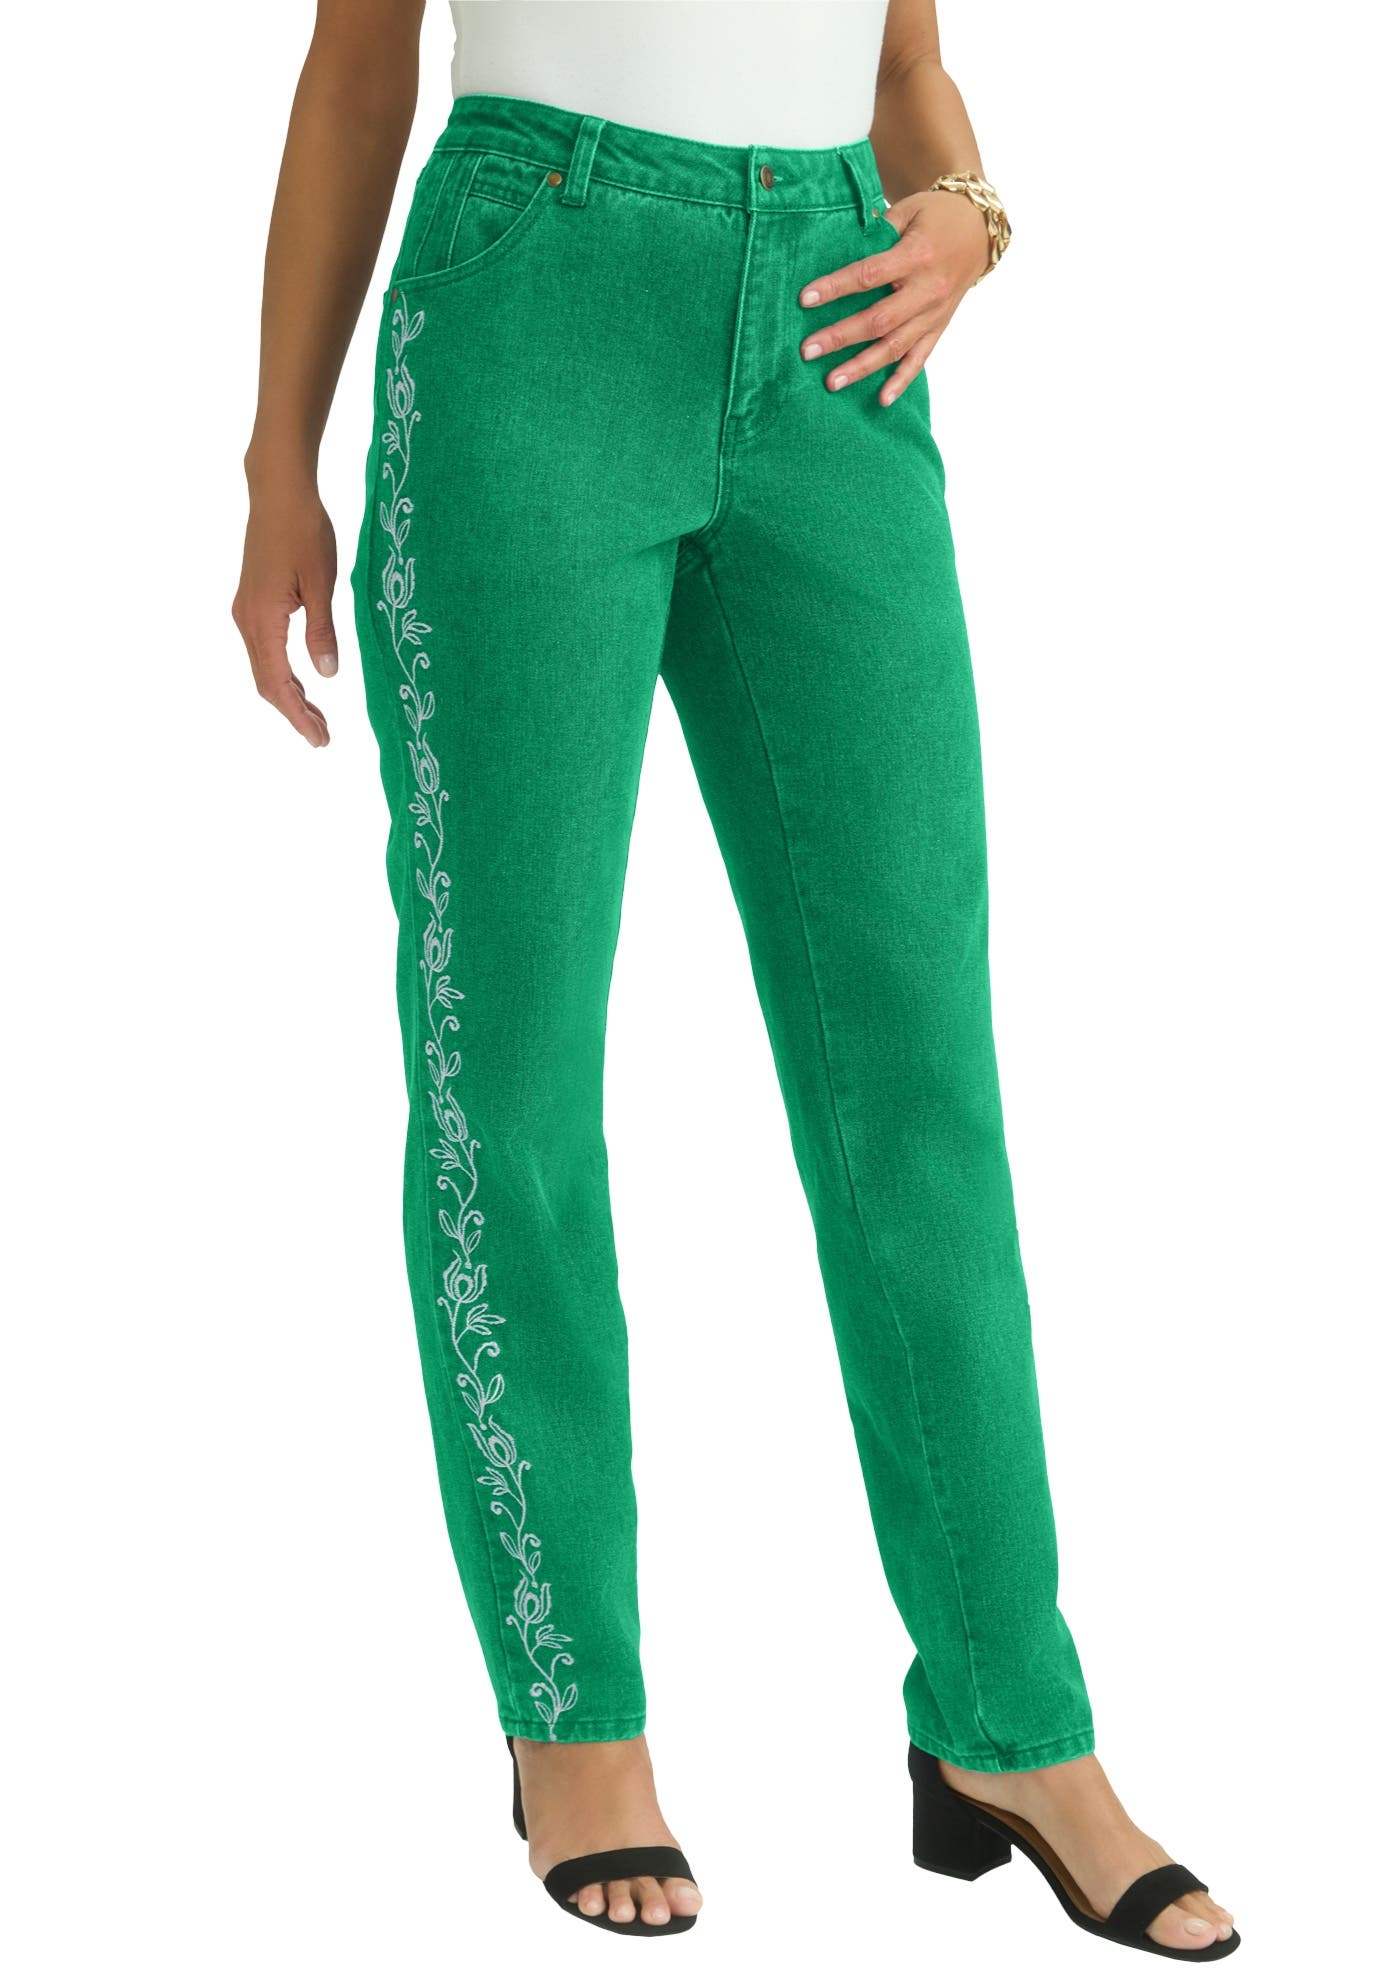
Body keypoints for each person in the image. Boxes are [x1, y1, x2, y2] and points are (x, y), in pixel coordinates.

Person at [233, 0, 1240, 1957]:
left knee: (918, 1077)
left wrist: (969, 216)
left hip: (838, 332)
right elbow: (359, 64)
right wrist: (280, 451)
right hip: (533, 305)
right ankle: (572, 1713)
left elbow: (904, 64)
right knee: (510, 1076)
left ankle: (1012, 1724)